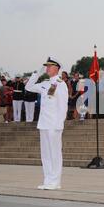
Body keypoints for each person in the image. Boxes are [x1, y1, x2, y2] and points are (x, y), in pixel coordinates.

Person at [25, 57, 68, 190]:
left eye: (50, 66)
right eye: (46, 66)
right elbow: (29, 87)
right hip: (43, 124)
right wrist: (37, 73)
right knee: (46, 154)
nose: (47, 68)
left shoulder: (61, 84)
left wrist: (59, 124)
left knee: (54, 153)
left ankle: (55, 181)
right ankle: (48, 180)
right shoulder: (45, 83)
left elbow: (63, 106)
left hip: (54, 125)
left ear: (57, 68)